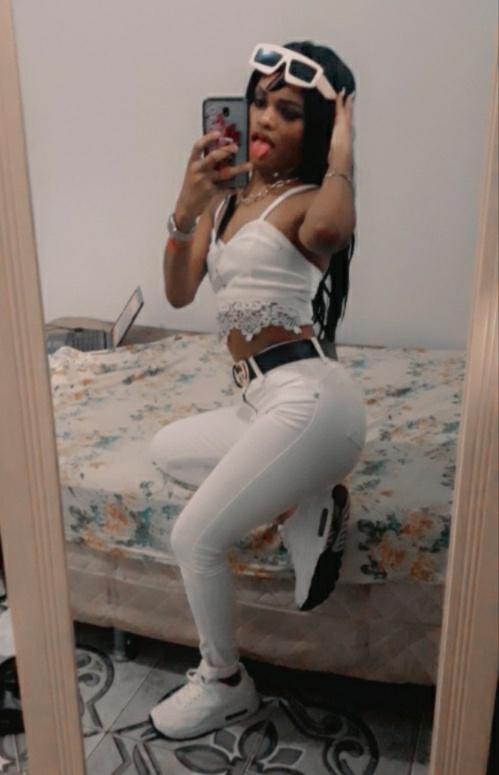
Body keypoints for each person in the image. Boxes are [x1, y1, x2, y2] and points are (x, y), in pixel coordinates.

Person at [149, 40, 367, 740]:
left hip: (311, 399)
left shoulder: (309, 202)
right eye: (259, 101)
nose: (265, 118)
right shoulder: (230, 198)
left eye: (289, 111)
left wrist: (343, 151)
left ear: (318, 130)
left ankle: (224, 681)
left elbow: (331, 229)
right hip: (257, 401)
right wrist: (186, 207)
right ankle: (305, 501)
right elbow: (178, 293)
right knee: (167, 448)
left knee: (194, 537)